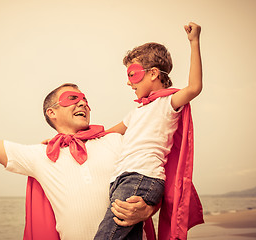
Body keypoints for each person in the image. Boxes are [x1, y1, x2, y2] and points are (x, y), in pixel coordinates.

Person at [0, 83, 156, 240]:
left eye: (85, 100)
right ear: (52, 112)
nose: (83, 104)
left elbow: (154, 175)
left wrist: (149, 209)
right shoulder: (39, 155)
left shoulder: (116, 141)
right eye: (72, 99)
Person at [94, 22, 203, 240]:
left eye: (133, 75)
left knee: (106, 237)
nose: (128, 82)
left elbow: (194, 88)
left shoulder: (167, 103)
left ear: (153, 73)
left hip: (142, 177)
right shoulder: (136, 112)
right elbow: (106, 134)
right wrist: (67, 138)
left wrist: (194, 42)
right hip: (122, 179)